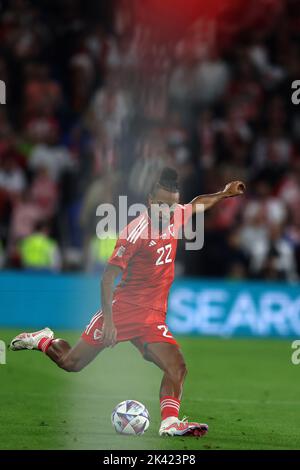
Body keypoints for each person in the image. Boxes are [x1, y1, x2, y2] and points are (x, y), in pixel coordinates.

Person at [10, 167, 245, 437]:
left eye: (171, 205)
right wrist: (109, 321)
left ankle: (169, 423)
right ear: (150, 201)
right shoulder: (135, 233)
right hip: (122, 310)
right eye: (161, 204)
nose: (167, 210)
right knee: (72, 363)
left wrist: (224, 194)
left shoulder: (177, 214)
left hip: (151, 317)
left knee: (177, 366)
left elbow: (196, 205)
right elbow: (107, 279)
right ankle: (43, 339)